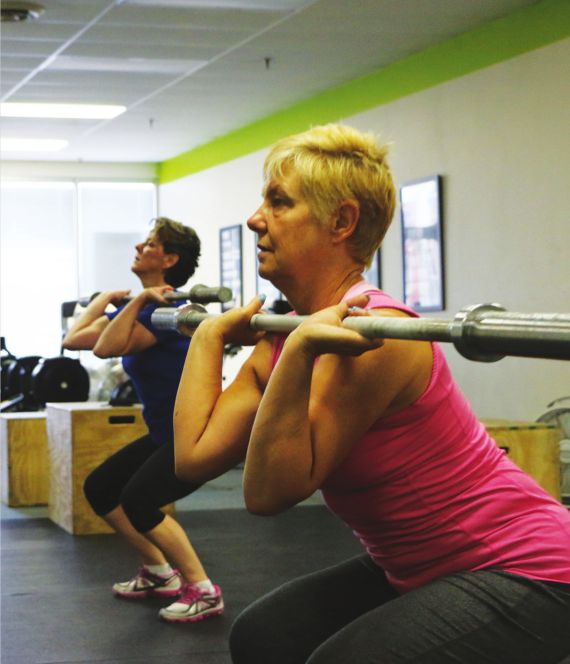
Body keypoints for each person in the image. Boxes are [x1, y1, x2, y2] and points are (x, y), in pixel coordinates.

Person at [172, 124, 570, 662]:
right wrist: (209, 336)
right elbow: (193, 457)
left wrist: (299, 350)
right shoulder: (288, 332)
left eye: (279, 202)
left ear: (341, 222)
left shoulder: (378, 335)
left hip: (529, 568)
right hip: (422, 565)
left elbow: (268, 495)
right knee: (266, 636)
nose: (255, 219)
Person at [63, 217, 223, 624]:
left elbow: (104, 348)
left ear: (170, 259)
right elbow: (74, 339)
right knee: (101, 487)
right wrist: (108, 299)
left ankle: (203, 591)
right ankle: (158, 572)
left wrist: (134, 304)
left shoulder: (169, 313)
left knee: (139, 500)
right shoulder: (146, 308)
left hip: (196, 434)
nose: (139, 247)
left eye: (150, 243)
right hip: (165, 433)